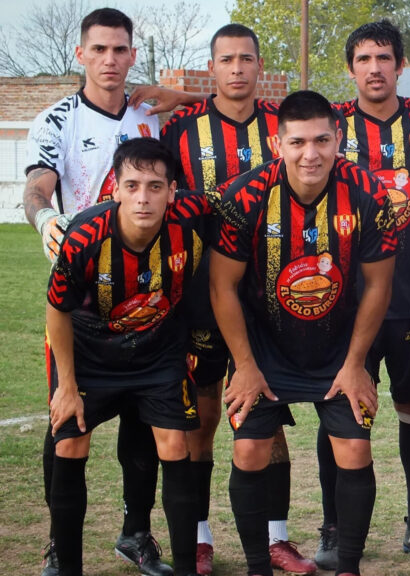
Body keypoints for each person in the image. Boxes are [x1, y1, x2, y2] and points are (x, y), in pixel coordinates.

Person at [306, 20, 410, 569]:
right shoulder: (327, 125)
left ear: (402, 65)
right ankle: (332, 529)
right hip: (341, 300)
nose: (374, 68)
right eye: (363, 59)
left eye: (384, 58)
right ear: (350, 68)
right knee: (338, 412)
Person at [209, 89, 396, 576]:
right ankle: (257, 566)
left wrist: (356, 364)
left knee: (355, 447)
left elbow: (378, 285)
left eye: (321, 140)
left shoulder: (370, 194)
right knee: (249, 448)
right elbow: (222, 287)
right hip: (265, 346)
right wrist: (245, 366)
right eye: (297, 142)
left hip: (339, 347)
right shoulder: (244, 197)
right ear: (278, 144)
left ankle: (349, 565)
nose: (309, 153)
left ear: (339, 140)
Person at [158, 23, 314, 576]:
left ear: (259, 63)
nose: (238, 69)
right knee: (200, 420)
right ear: (214, 66)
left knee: (266, 421)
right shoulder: (182, 126)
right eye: (227, 60)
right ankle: (200, 540)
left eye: (246, 58)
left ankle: (277, 538)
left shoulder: (285, 123)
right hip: (201, 295)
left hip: (270, 300)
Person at [22, 8, 167, 576]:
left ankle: (136, 533)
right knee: (67, 421)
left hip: (149, 293)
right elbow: (38, 187)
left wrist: (168, 91)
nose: (110, 60)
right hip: (81, 297)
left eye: (120, 50)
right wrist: (44, 220)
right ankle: (61, 543)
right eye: (99, 49)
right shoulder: (55, 120)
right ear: (80, 55)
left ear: (133, 55)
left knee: (142, 421)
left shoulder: (150, 116)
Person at [46, 137, 209, 576]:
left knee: (176, 445)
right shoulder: (85, 235)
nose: (143, 197)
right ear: (114, 189)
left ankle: (186, 568)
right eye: (132, 185)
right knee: (70, 441)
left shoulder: (192, 218)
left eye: (155, 186)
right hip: (88, 350)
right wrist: (65, 386)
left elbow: (242, 199)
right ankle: (66, 565)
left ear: (173, 192)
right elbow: (57, 310)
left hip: (157, 349)